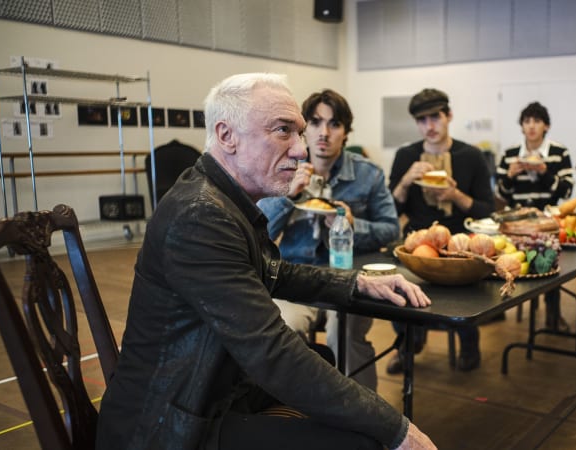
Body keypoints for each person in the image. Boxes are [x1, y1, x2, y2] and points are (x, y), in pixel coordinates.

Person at [96, 73, 436, 450]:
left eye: (299, 133)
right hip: (169, 426)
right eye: (283, 131)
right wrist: (397, 429)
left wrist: (357, 282)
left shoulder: (221, 200)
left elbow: (275, 272)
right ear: (227, 136)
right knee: (365, 442)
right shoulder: (200, 215)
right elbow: (271, 353)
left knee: (321, 355)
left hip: (206, 391)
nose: (301, 150)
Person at [258, 89, 399, 391]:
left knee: (345, 334)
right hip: (294, 279)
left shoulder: (367, 174)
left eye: (334, 124)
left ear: (346, 132)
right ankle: (294, 413)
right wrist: (288, 197)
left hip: (349, 281)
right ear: (303, 128)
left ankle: (366, 423)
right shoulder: (284, 168)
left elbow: (391, 230)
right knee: (281, 330)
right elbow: (257, 230)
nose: (324, 133)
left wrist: (351, 225)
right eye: (315, 122)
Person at [387, 88, 495, 373]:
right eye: (422, 120)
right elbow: (389, 211)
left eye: (435, 117)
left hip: (460, 244)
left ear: (449, 116)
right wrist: (405, 182)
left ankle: (468, 339)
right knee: (392, 286)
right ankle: (408, 341)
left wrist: (457, 196)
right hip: (416, 242)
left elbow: (487, 211)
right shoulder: (406, 156)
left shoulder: (471, 156)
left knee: (463, 291)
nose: (429, 126)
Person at [495, 102, 574, 330]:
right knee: (505, 257)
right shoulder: (510, 154)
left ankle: (553, 312)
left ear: (546, 125)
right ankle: (498, 307)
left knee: (549, 261)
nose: (531, 126)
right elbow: (501, 194)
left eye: (537, 121)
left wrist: (544, 172)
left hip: (547, 220)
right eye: (527, 121)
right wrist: (509, 176)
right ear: (521, 126)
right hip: (515, 223)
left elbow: (566, 191)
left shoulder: (559, 152)